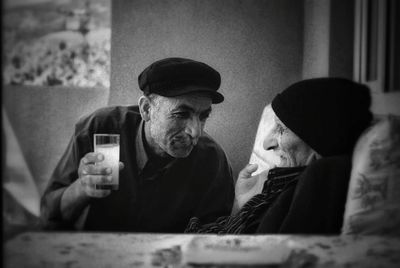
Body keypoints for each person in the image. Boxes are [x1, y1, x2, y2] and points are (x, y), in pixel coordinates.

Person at [40, 57, 235, 232]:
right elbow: (49, 215)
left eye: (203, 116)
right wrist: (82, 188)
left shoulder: (212, 159)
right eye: (181, 114)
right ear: (147, 109)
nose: (195, 132)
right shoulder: (101, 127)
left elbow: (213, 239)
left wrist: (241, 206)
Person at [185, 77, 372, 234]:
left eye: (281, 129)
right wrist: (239, 205)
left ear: (320, 138)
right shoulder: (280, 184)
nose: (267, 143)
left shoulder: (320, 181)